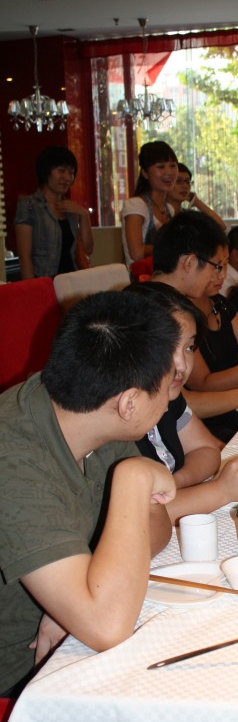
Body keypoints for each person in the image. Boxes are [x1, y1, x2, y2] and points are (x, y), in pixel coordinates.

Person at [0, 291, 179, 697]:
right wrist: (135, 477)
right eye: (167, 385)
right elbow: (107, 627)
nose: (171, 397)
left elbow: (156, 530)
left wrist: (74, 600)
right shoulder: (13, 460)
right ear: (129, 402)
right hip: (23, 683)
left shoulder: (86, 406)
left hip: (74, 649)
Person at [151, 212, 238, 443]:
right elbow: (186, 403)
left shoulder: (170, 302)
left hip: (191, 429)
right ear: (189, 262)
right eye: (217, 266)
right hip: (170, 439)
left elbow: (180, 408)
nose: (221, 275)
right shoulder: (158, 311)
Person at [128, 281, 238, 516]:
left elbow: (207, 449)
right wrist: (220, 491)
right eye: (167, 346)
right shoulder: (116, 413)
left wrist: (175, 482)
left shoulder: (169, 396)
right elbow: (139, 516)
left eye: (188, 348)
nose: (182, 365)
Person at [14, 145, 94, 279]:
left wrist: (84, 215)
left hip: (72, 281)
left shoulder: (70, 208)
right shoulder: (29, 205)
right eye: (61, 171)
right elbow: (24, 256)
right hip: (45, 281)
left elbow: (88, 250)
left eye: (71, 172)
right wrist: (33, 288)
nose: (67, 178)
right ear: (46, 172)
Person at [120, 140, 178, 267]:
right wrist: (174, 249)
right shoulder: (136, 205)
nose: (169, 172)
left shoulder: (169, 209)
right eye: (161, 167)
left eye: (173, 166)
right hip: (141, 278)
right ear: (145, 173)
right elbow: (136, 253)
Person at [167, 162, 227, 230]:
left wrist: (197, 202)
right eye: (179, 181)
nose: (185, 186)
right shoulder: (161, 214)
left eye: (187, 182)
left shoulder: (187, 215)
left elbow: (221, 226)